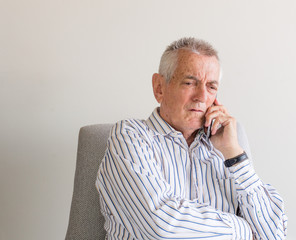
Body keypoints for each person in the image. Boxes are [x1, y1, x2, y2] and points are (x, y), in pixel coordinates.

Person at [96, 37, 287, 239]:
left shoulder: (227, 145)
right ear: (159, 87)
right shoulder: (130, 136)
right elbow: (163, 227)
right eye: (189, 83)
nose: (202, 97)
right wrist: (245, 230)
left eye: (211, 87)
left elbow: (274, 235)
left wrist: (235, 156)